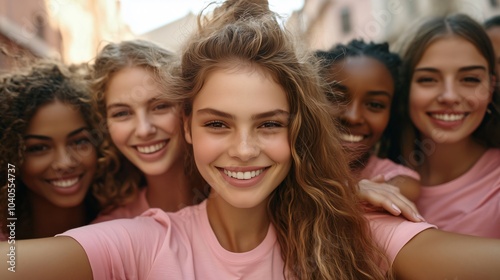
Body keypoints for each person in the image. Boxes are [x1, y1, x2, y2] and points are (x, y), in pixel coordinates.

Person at [2, 2, 500, 280]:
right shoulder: (139, 238)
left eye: (268, 124)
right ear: (190, 127)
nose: (244, 148)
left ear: (297, 130)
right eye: (218, 124)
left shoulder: (353, 230)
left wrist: (340, 196)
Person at [387, 13, 500, 238]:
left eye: (470, 79)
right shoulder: (375, 171)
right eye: (428, 79)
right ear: (404, 87)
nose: (450, 96)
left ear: (490, 88)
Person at [88, 39, 206, 222]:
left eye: (160, 107)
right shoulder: (111, 225)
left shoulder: (238, 196)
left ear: (187, 109)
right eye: (122, 113)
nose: (144, 130)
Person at [0, 60, 101, 240]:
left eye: (79, 141)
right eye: (38, 148)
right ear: (10, 155)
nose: (65, 162)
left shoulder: (128, 220)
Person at [315, 40, 421, 207]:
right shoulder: (284, 162)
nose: (353, 117)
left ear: (390, 115)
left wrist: (353, 190)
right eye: (336, 97)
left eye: (375, 105)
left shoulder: (398, 181)